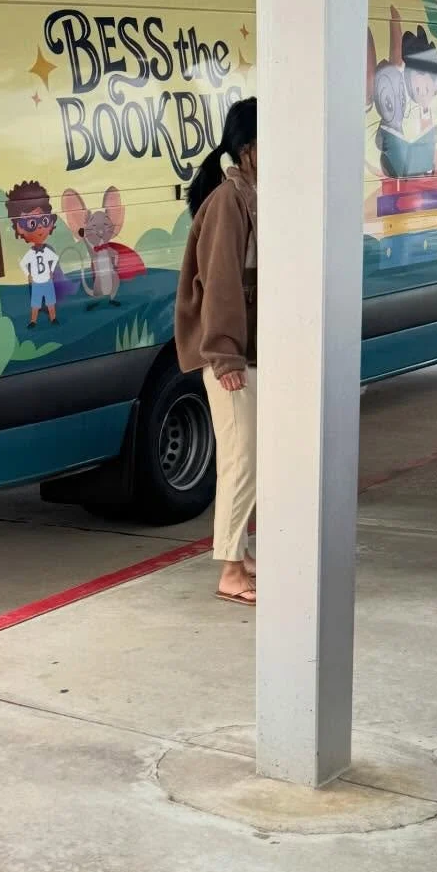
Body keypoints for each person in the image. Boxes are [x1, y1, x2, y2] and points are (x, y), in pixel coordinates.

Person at [175, 96, 259, 606]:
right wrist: (224, 355)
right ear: (249, 149)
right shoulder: (230, 201)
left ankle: (241, 554)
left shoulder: (248, 193)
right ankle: (230, 569)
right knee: (241, 461)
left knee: (249, 458)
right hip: (230, 358)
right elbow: (221, 282)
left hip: (247, 353)